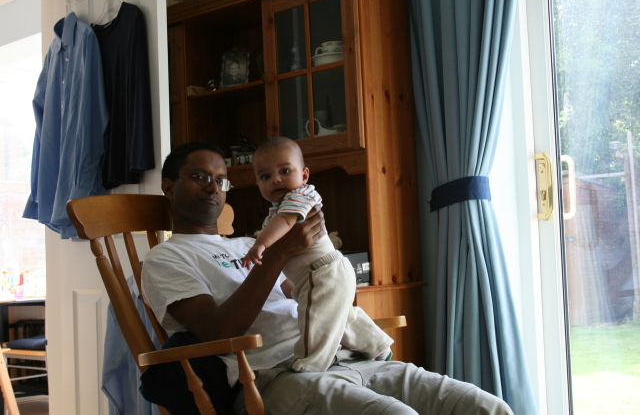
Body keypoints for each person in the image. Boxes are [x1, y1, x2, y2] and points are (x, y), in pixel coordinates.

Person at [141, 140, 514, 415]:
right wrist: (279, 253)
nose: (213, 187)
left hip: (345, 357)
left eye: (222, 181)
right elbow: (216, 332)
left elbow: (303, 294)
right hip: (277, 378)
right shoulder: (165, 258)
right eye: (200, 177)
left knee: (485, 407)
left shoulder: (248, 243)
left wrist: (327, 280)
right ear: (169, 187)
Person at [242, 137, 393, 372]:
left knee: (317, 319)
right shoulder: (279, 207)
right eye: (265, 176)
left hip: (321, 273)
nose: (276, 179)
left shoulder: (298, 196)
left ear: (304, 175)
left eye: (285, 171)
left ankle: (309, 364)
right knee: (339, 316)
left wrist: (260, 244)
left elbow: (285, 221)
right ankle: (378, 346)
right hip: (326, 272)